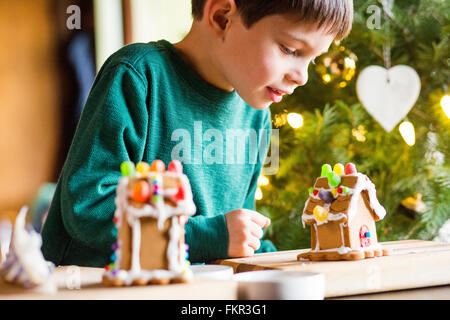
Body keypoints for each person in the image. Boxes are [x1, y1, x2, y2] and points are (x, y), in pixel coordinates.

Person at [42, 0, 353, 267]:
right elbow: (88, 206)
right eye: (290, 49)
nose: (302, 77)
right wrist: (208, 237)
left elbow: (239, 234)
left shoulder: (258, 115)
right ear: (222, 17)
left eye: (312, 59)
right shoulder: (138, 76)